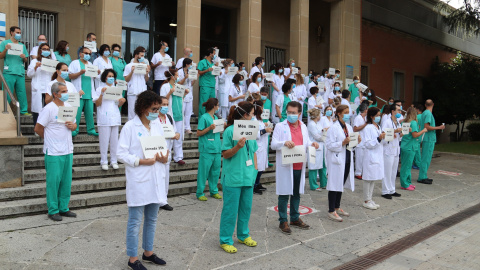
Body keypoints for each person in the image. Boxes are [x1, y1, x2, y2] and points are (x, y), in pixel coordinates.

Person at [117, 91, 169, 270]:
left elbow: (164, 148)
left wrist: (165, 157)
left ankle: (148, 252)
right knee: (135, 221)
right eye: (154, 108)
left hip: (155, 177)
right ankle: (132, 258)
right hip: (139, 178)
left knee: (152, 219)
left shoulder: (157, 126)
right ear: (143, 108)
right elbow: (121, 153)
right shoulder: (130, 127)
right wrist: (141, 161)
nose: (157, 112)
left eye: (158, 108)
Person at [271, 101, 319, 234]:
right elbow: (273, 144)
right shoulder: (280, 126)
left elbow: (306, 141)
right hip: (287, 165)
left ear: (299, 114)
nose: (291, 115)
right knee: (284, 193)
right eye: (289, 112)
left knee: (296, 193)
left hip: (299, 163)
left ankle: (294, 218)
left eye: (294, 113)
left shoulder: (303, 126)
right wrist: (284, 142)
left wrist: (313, 144)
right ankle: (283, 220)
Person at [34, 82, 77, 222]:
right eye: (63, 91)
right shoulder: (49, 109)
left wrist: (73, 125)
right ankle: (53, 210)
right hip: (53, 151)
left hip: (67, 149)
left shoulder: (70, 107)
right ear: (55, 94)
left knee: (66, 181)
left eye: (67, 91)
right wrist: (49, 140)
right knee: (53, 182)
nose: (66, 93)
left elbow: (74, 124)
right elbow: (38, 128)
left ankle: (63, 207)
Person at [219, 101, 259, 254]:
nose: (253, 116)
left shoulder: (251, 130)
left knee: (246, 208)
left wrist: (254, 170)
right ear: (245, 114)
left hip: (248, 175)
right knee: (230, 210)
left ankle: (243, 234)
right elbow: (225, 154)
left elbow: (254, 151)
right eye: (252, 113)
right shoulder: (230, 130)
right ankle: (225, 239)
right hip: (233, 177)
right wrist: (237, 147)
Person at [325, 105, 358, 222]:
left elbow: (350, 143)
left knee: (340, 183)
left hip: (347, 158)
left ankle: (337, 206)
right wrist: (342, 142)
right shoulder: (333, 128)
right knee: (334, 185)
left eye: (348, 112)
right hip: (337, 160)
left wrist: (356, 141)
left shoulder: (348, 127)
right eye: (346, 112)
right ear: (339, 113)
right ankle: (331, 210)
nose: (348, 114)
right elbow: (329, 145)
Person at [92, 69, 125, 171]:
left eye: (112, 76)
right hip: (104, 118)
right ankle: (104, 161)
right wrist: (102, 94)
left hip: (114, 117)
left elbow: (117, 104)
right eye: (109, 76)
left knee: (115, 141)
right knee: (104, 141)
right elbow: (97, 104)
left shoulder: (116, 89)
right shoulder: (99, 89)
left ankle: (114, 161)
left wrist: (122, 101)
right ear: (105, 77)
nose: (111, 78)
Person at [68, 46, 100, 137]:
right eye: (86, 53)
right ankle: (75, 130)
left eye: (89, 54)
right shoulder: (74, 63)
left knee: (89, 113)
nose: (88, 55)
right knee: (77, 113)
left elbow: (93, 78)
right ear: (80, 54)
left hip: (89, 93)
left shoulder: (90, 64)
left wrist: (96, 73)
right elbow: (70, 76)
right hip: (78, 92)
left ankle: (91, 129)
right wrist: (80, 73)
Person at [196, 98, 223, 201]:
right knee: (204, 172)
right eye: (217, 105)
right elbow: (198, 133)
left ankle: (214, 191)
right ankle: (199, 192)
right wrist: (209, 128)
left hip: (216, 148)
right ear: (214, 106)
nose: (218, 107)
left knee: (215, 172)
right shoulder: (204, 117)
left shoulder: (216, 117)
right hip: (207, 148)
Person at [157, 96, 181, 211]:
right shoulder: (154, 118)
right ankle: (155, 200)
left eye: (167, 104)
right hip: (156, 152)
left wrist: (177, 135)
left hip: (167, 152)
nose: (165, 106)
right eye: (163, 104)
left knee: (165, 177)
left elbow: (175, 131)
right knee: (157, 177)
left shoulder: (169, 118)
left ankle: (163, 200)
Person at [160, 68, 188, 165]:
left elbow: (180, 99)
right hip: (170, 114)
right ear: (172, 76)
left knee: (178, 137)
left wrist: (185, 94)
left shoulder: (178, 86)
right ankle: (167, 156)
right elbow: (162, 100)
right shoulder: (165, 86)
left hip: (179, 114)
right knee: (169, 136)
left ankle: (178, 157)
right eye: (176, 75)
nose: (178, 77)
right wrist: (170, 92)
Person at [0, 26, 30, 115]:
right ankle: (5, 110)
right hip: (9, 72)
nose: (19, 34)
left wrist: (24, 58)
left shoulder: (22, 45)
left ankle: (24, 111)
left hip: (20, 72)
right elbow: (1, 56)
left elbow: (26, 60)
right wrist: (6, 49)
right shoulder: (5, 43)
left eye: (20, 33)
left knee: (22, 93)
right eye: (17, 32)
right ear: (11, 32)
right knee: (7, 92)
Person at [361, 107, 384, 210]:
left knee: (373, 178)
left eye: (380, 115)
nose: (379, 117)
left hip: (377, 155)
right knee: (368, 179)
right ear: (371, 116)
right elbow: (367, 143)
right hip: (370, 156)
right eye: (377, 115)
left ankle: (370, 199)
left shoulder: (378, 126)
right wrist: (378, 139)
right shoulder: (368, 127)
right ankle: (366, 200)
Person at [400, 108, 428, 191]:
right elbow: (415, 135)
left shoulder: (404, 122)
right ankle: (405, 183)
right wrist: (423, 130)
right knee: (407, 166)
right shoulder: (413, 123)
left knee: (407, 166)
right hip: (410, 147)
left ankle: (407, 182)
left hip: (405, 145)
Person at [418, 99, 445, 184]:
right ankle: (422, 177)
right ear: (433, 104)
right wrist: (439, 127)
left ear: (425, 105)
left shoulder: (425, 113)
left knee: (426, 158)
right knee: (426, 158)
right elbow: (427, 126)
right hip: (428, 138)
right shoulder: (428, 113)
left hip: (427, 138)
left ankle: (423, 176)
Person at [27, 43, 54, 126]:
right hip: (38, 88)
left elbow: (54, 75)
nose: (46, 51)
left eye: (47, 49)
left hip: (48, 89)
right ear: (40, 50)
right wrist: (35, 67)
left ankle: (46, 127)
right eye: (44, 49)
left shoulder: (51, 62)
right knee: (37, 110)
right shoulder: (34, 61)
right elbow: (29, 74)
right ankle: (36, 127)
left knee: (48, 109)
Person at [381, 104, 403, 199]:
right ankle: (385, 191)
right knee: (387, 171)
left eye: (400, 110)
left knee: (394, 170)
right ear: (393, 111)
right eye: (398, 110)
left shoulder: (397, 122)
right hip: (388, 148)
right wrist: (394, 131)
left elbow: (398, 136)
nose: (399, 112)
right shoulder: (387, 122)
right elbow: (383, 134)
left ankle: (392, 189)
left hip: (396, 148)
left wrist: (403, 132)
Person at [124, 46, 150, 120]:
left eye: (143, 56)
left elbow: (146, 79)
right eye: (141, 56)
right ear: (136, 55)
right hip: (133, 93)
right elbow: (126, 79)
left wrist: (146, 73)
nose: (143, 58)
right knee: (132, 113)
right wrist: (132, 72)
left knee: (142, 113)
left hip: (142, 92)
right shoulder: (128, 66)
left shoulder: (144, 66)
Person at [253, 100, 272, 195]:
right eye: (262, 107)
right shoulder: (253, 120)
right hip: (257, 147)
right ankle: (254, 185)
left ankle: (258, 183)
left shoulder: (259, 119)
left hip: (262, 146)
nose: (263, 109)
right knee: (257, 167)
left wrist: (265, 127)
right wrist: (265, 130)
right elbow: (255, 134)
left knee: (261, 167)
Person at [307, 108, 327, 191]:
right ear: (317, 116)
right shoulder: (311, 124)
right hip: (314, 147)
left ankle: (324, 183)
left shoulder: (318, 124)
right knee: (313, 167)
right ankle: (313, 185)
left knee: (323, 166)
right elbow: (317, 136)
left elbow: (321, 133)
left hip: (321, 147)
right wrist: (324, 136)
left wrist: (324, 131)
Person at [178, 58, 196, 134]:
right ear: (186, 64)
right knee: (182, 111)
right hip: (182, 92)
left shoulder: (191, 71)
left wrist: (194, 78)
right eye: (190, 64)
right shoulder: (179, 71)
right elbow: (178, 83)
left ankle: (187, 128)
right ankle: (181, 127)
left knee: (188, 113)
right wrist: (185, 77)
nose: (191, 66)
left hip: (189, 93)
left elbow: (191, 84)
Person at [198, 47, 218, 115]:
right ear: (210, 54)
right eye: (214, 54)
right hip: (205, 85)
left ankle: (210, 117)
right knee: (204, 102)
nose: (215, 55)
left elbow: (214, 74)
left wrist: (217, 72)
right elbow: (199, 72)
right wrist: (207, 70)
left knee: (212, 103)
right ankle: (202, 118)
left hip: (212, 85)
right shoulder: (202, 62)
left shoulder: (213, 63)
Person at [110, 43, 127, 110]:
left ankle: (118, 113)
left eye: (118, 51)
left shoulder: (122, 60)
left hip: (122, 82)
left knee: (121, 98)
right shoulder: (110, 59)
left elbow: (126, 71)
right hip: (113, 81)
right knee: (114, 98)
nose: (117, 52)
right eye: (115, 50)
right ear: (112, 50)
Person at [353, 103, 368, 180]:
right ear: (365, 110)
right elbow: (355, 129)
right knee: (359, 158)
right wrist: (365, 125)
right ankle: (358, 173)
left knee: (363, 158)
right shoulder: (358, 118)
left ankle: (362, 172)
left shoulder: (365, 118)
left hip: (364, 141)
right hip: (359, 141)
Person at [259, 87, 273, 167]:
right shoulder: (258, 102)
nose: (263, 96)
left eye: (265, 94)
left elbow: (269, 112)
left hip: (266, 123)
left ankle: (266, 160)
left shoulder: (269, 102)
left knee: (267, 143)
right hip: (260, 123)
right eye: (262, 94)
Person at [413, 103, 425, 169]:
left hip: (417, 134)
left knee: (417, 150)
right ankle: (417, 163)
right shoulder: (423, 116)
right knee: (417, 149)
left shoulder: (417, 117)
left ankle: (418, 164)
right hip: (422, 134)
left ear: (417, 109)